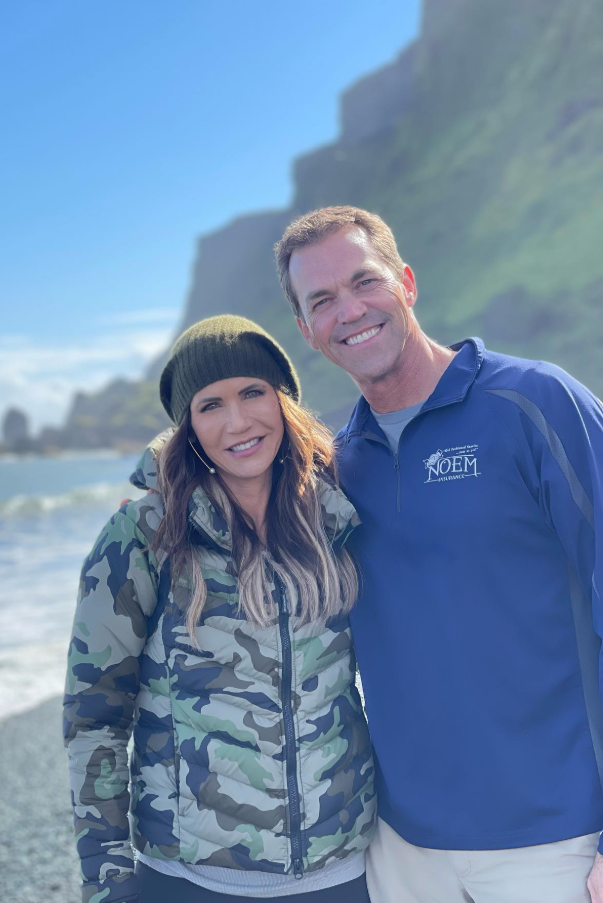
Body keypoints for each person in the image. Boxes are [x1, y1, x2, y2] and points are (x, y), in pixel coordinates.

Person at [274, 205, 603, 903]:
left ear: (407, 282)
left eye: (365, 281)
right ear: (307, 331)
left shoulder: (534, 403)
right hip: (401, 848)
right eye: (323, 301)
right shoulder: (335, 466)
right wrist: (158, 507)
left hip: (554, 840)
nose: (350, 310)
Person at [63, 315, 376, 903]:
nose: (237, 422)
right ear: (188, 426)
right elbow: (94, 716)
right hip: (192, 879)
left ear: (284, 401)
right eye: (211, 405)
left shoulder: (337, 519)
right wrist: (105, 878)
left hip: (342, 871)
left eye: (253, 392)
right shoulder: (145, 532)